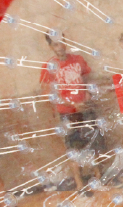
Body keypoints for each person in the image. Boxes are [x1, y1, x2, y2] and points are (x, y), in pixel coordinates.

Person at [40, 33, 102, 189]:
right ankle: (80, 184)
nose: (60, 47)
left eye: (61, 43)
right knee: (74, 148)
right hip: (67, 113)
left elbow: (87, 80)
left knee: (92, 142)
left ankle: (99, 176)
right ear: (50, 47)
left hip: (85, 109)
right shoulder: (49, 66)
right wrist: (71, 104)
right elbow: (48, 93)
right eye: (55, 44)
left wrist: (88, 94)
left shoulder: (78, 59)